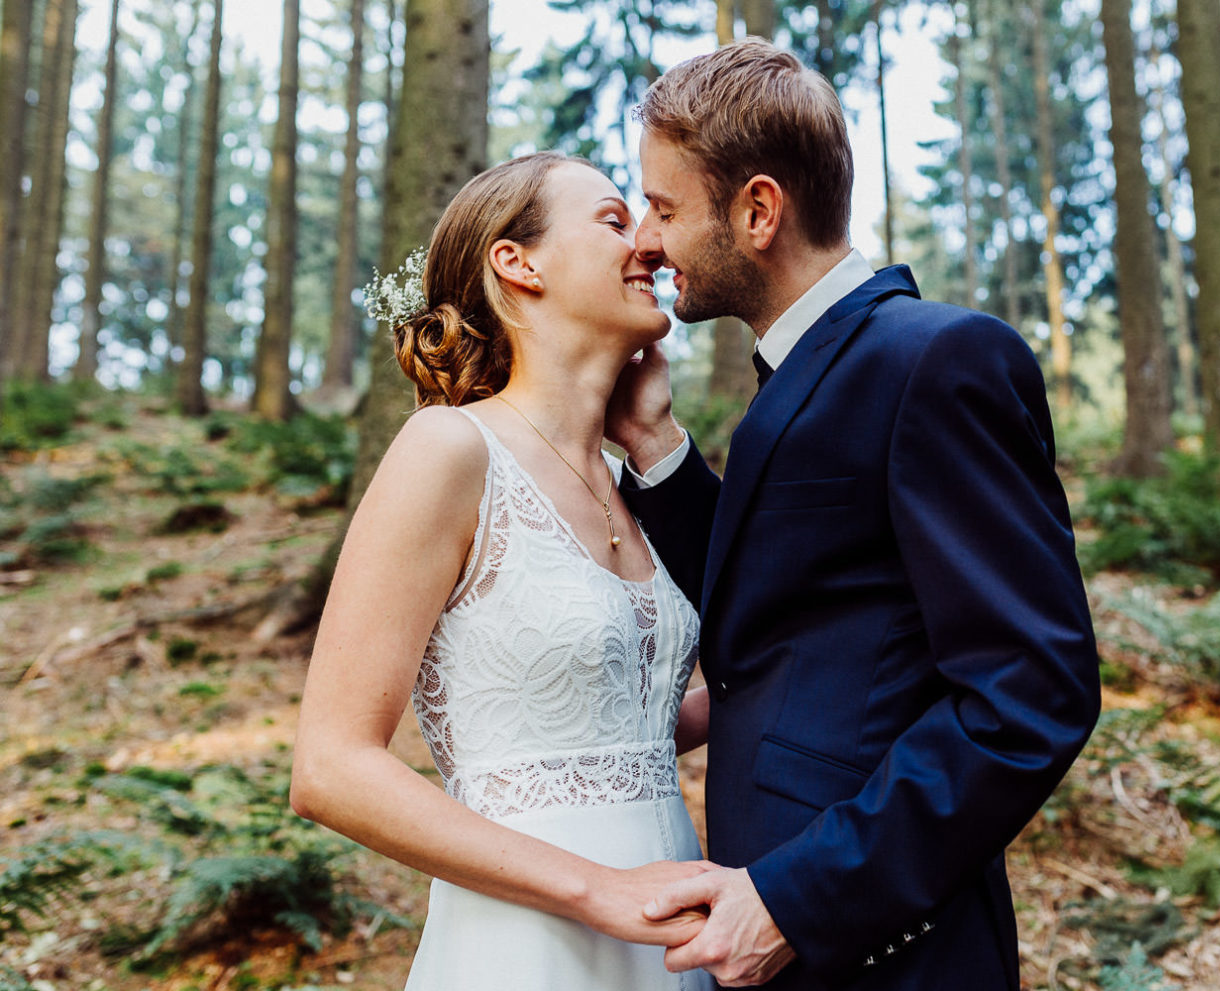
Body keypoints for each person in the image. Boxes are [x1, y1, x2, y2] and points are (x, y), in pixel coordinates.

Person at [604, 40, 1103, 990]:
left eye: (664, 208)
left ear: (757, 210)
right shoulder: (801, 377)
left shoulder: (938, 360)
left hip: (888, 951)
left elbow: (1030, 694)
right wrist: (657, 447)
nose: (646, 242)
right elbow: (782, 608)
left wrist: (801, 899)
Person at [290, 151, 717, 990]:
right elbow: (330, 766)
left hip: (672, 929)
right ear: (517, 263)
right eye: (609, 219)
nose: (647, 243)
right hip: (530, 940)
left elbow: (604, 728)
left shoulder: (632, 484)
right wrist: (596, 890)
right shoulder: (450, 449)